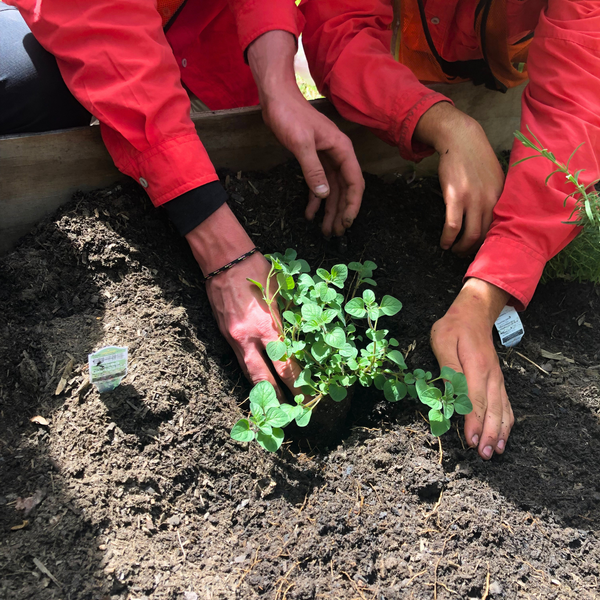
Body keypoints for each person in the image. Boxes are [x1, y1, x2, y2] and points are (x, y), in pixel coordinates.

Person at [1, 0, 365, 401]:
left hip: (205, 39)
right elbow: (100, 25)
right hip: (80, 23)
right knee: (30, 81)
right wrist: (224, 251)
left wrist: (278, 85)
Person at [298, 0, 600, 459]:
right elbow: (339, 29)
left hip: (503, 61)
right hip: (405, 61)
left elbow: (575, 106)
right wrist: (438, 121)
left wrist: (486, 292)